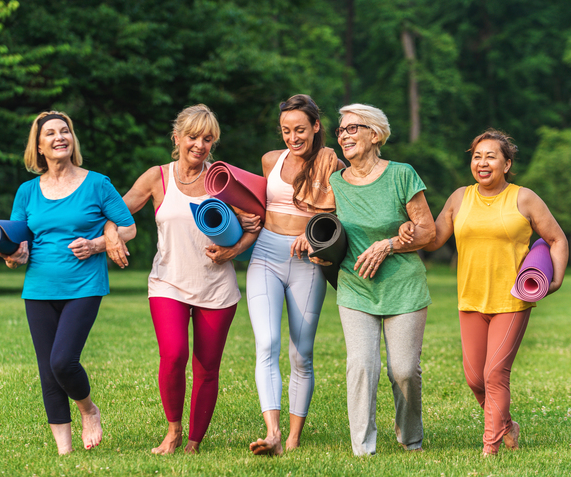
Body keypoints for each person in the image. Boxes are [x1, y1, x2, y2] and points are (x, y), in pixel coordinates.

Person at [104, 104, 256, 454]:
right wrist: (111, 232)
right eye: (192, 137)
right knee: (173, 355)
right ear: (177, 138)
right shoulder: (157, 177)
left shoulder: (222, 179)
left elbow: (254, 224)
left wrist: (234, 251)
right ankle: (172, 431)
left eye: (207, 139)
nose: (199, 145)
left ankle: (193, 442)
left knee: (207, 368)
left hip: (216, 287)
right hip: (167, 283)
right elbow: (119, 209)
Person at [0, 110, 136, 455]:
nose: (60, 137)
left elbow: (128, 228)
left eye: (65, 132)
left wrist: (98, 244)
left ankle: (89, 410)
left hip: (84, 285)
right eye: (51, 134)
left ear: (72, 140)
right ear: (39, 147)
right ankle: (65, 452)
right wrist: (14, 254)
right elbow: (20, 239)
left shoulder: (97, 184)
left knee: (62, 361)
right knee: (47, 371)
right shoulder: (27, 191)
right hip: (39, 288)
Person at [423, 128, 568, 457]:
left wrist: (555, 279)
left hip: (512, 300)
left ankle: (490, 450)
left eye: (491, 156)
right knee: (475, 378)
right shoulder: (460, 198)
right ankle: (507, 425)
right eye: (477, 156)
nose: (482, 162)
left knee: (494, 374)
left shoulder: (524, 198)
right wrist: (405, 227)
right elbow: (433, 239)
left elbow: (557, 238)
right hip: (470, 299)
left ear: (507, 163)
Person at [328, 104, 435, 456]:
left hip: (403, 287)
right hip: (356, 287)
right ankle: (363, 449)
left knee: (403, 370)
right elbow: (324, 224)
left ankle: (410, 438)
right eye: (340, 130)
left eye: (351, 128)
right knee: (361, 366)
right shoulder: (336, 183)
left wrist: (388, 244)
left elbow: (428, 232)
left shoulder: (402, 174)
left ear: (374, 135)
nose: (343, 135)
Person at [241, 94, 344, 456]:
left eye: (300, 129)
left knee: (301, 353)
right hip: (267, 254)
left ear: (316, 127)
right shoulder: (272, 160)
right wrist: (246, 219)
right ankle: (272, 433)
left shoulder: (330, 161)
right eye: (286, 130)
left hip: (307, 262)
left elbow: (339, 210)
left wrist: (313, 230)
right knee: (266, 343)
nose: (292, 137)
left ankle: (294, 438)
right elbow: (257, 202)